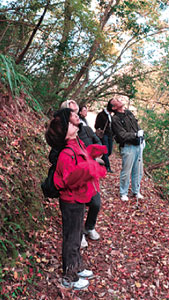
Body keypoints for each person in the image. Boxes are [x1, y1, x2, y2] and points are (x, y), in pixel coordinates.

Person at [45, 108, 107, 290]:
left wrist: (94, 152)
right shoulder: (65, 153)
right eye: (71, 124)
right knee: (71, 239)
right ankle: (69, 277)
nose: (75, 123)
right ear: (65, 132)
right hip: (71, 201)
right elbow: (69, 178)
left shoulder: (76, 143)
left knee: (77, 235)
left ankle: (77, 267)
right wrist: (91, 169)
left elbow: (83, 157)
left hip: (79, 199)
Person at [60, 100, 103, 248]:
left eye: (76, 110)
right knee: (80, 207)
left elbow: (93, 138)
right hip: (77, 178)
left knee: (96, 203)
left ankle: (89, 227)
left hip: (89, 175)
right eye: (72, 112)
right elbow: (55, 156)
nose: (76, 114)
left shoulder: (82, 126)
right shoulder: (64, 133)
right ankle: (79, 235)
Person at [107, 98, 145, 201]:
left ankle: (136, 191)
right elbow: (121, 135)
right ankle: (123, 193)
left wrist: (141, 134)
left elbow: (136, 125)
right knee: (126, 171)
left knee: (138, 170)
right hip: (128, 147)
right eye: (116, 101)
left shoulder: (128, 112)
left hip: (138, 145)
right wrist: (135, 135)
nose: (119, 100)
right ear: (114, 107)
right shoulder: (115, 119)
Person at [94, 103, 113, 173]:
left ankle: (99, 162)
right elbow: (96, 125)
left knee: (109, 151)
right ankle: (107, 166)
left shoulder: (111, 116)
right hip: (103, 135)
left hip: (110, 135)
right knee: (105, 151)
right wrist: (100, 129)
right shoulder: (101, 115)